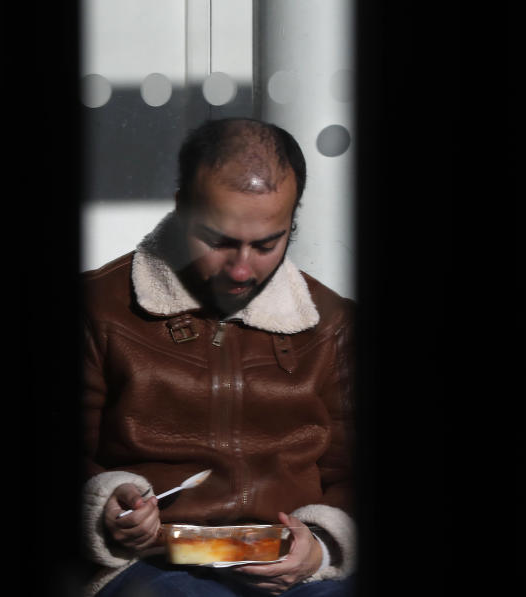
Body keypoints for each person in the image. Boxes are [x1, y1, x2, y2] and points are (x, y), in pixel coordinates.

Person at [81, 118, 356, 596]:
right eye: (218, 240)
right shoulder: (96, 308)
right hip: (150, 567)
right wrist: (105, 504)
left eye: (267, 243)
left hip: (300, 571)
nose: (242, 268)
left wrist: (325, 546)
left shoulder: (333, 325)